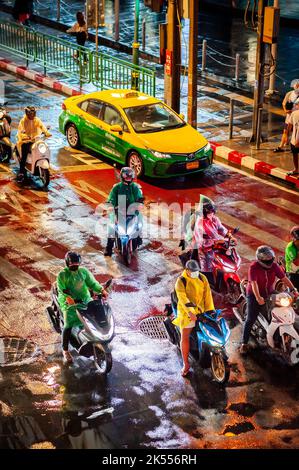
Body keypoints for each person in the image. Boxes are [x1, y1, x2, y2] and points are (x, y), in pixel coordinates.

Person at [240, 246, 297, 354]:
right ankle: (244, 343)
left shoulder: (274, 266)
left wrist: (294, 289)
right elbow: (254, 284)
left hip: (270, 292)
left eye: (271, 259)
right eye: (266, 260)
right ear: (260, 260)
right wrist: (258, 298)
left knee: (283, 306)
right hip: (254, 294)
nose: (269, 262)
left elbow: (284, 278)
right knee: (250, 319)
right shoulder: (254, 267)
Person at [57, 251, 108, 363]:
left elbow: (92, 283)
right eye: (72, 265)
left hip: (85, 299)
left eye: (76, 264)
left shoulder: (83, 272)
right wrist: (68, 298)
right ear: (67, 264)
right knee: (68, 325)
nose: (75, 266)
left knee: (95, 315)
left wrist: (101, 290)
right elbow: (62, 290)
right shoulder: (62, 275)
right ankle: (65, 350)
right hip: (69, 303)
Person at [173, 259, 215, 377]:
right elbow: (183, 299)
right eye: (193, 271)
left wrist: (210, 310)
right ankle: (186, 364)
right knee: (185, 336)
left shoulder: (202, 278)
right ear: (187, 270)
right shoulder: (181, 281)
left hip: (201, 311)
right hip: (186, 313)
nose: (196, 273)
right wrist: (191, 312)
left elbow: (208, 295)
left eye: (197, 271)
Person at [180, 197, 233, 284]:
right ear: (204, 213)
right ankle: (206, 282)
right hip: (203, 248)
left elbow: (221, 229)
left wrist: (229, 235)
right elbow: (201, 242)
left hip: (215, 245)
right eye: (210, 212)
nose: (212, 213)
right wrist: (215, 242)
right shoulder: (200, 224)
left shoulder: (215, 219)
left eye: (213, 211)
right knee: (207, 267)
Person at [104, 167, 144, 256]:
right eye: (126, 176)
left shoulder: (135, 187)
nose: (128, 178)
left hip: (132, 211)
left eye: (130, 176)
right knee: (111, 227)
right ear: (122, 176)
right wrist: (110, 206)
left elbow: (139, 198)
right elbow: (111, 198)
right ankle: (108, 247)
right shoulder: (116, 188)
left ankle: (139, 237)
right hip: (118, 211)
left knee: (140, 222)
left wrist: (140, 204)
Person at [16, 106, 51, 182]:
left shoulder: (37, 120)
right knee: (24, 154)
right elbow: (21, 131)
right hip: (26, 141)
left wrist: (46, 132)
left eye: (33, 113)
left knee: (44, 149)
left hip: (36, 140)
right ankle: (21, 172)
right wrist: (25, 136)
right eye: (30, 114)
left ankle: (41, 166)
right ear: (27, 114)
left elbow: (42, 126)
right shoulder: (23, 121)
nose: (32, 115)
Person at [273, 79, 299, 153]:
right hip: (289, 117)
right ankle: (280, 146)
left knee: (295, 133)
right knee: (285, 132)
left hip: (296, 117)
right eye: (296, 85)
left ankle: (293, 147)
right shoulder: (289, 94)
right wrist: (285, 110)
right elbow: (284, 103)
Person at [287, 103, 299, 176]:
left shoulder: (294, 113)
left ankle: (296, 169)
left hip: (294, 139)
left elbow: (289, 126)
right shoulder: (294, 113)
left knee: (295, 154)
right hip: (294, 139)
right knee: (295, 154)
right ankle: (296, 169)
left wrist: (288, 136)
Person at [285, 226, 299, 290]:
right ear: (294, 239)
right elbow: (296, 263)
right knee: (294, 294)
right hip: (294, 273)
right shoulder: (290, 248)